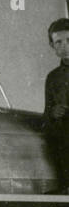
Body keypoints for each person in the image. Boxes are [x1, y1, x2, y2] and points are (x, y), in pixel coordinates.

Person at [44, 17, 69, 190]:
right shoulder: (53, 78)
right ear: (52, 46)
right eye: (58, 42)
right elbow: (46, 114)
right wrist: (53, 113)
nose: (64, 46)